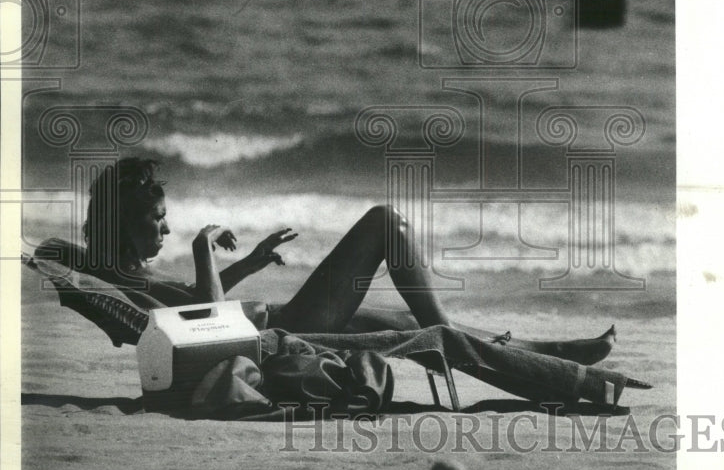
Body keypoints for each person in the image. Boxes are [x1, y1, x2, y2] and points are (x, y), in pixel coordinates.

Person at [48, 156, 617, 365]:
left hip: (276, 320)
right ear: (124, 222)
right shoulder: (126, 282)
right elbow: (208, 327)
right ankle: (477, 334)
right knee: (384, 223)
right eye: (157, 219)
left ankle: (549, 354)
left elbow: (198, 306)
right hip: (282, 331)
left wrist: (246, 262)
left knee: (406, 325)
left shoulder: (131, 277)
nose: (166, 227)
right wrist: (201, 249)